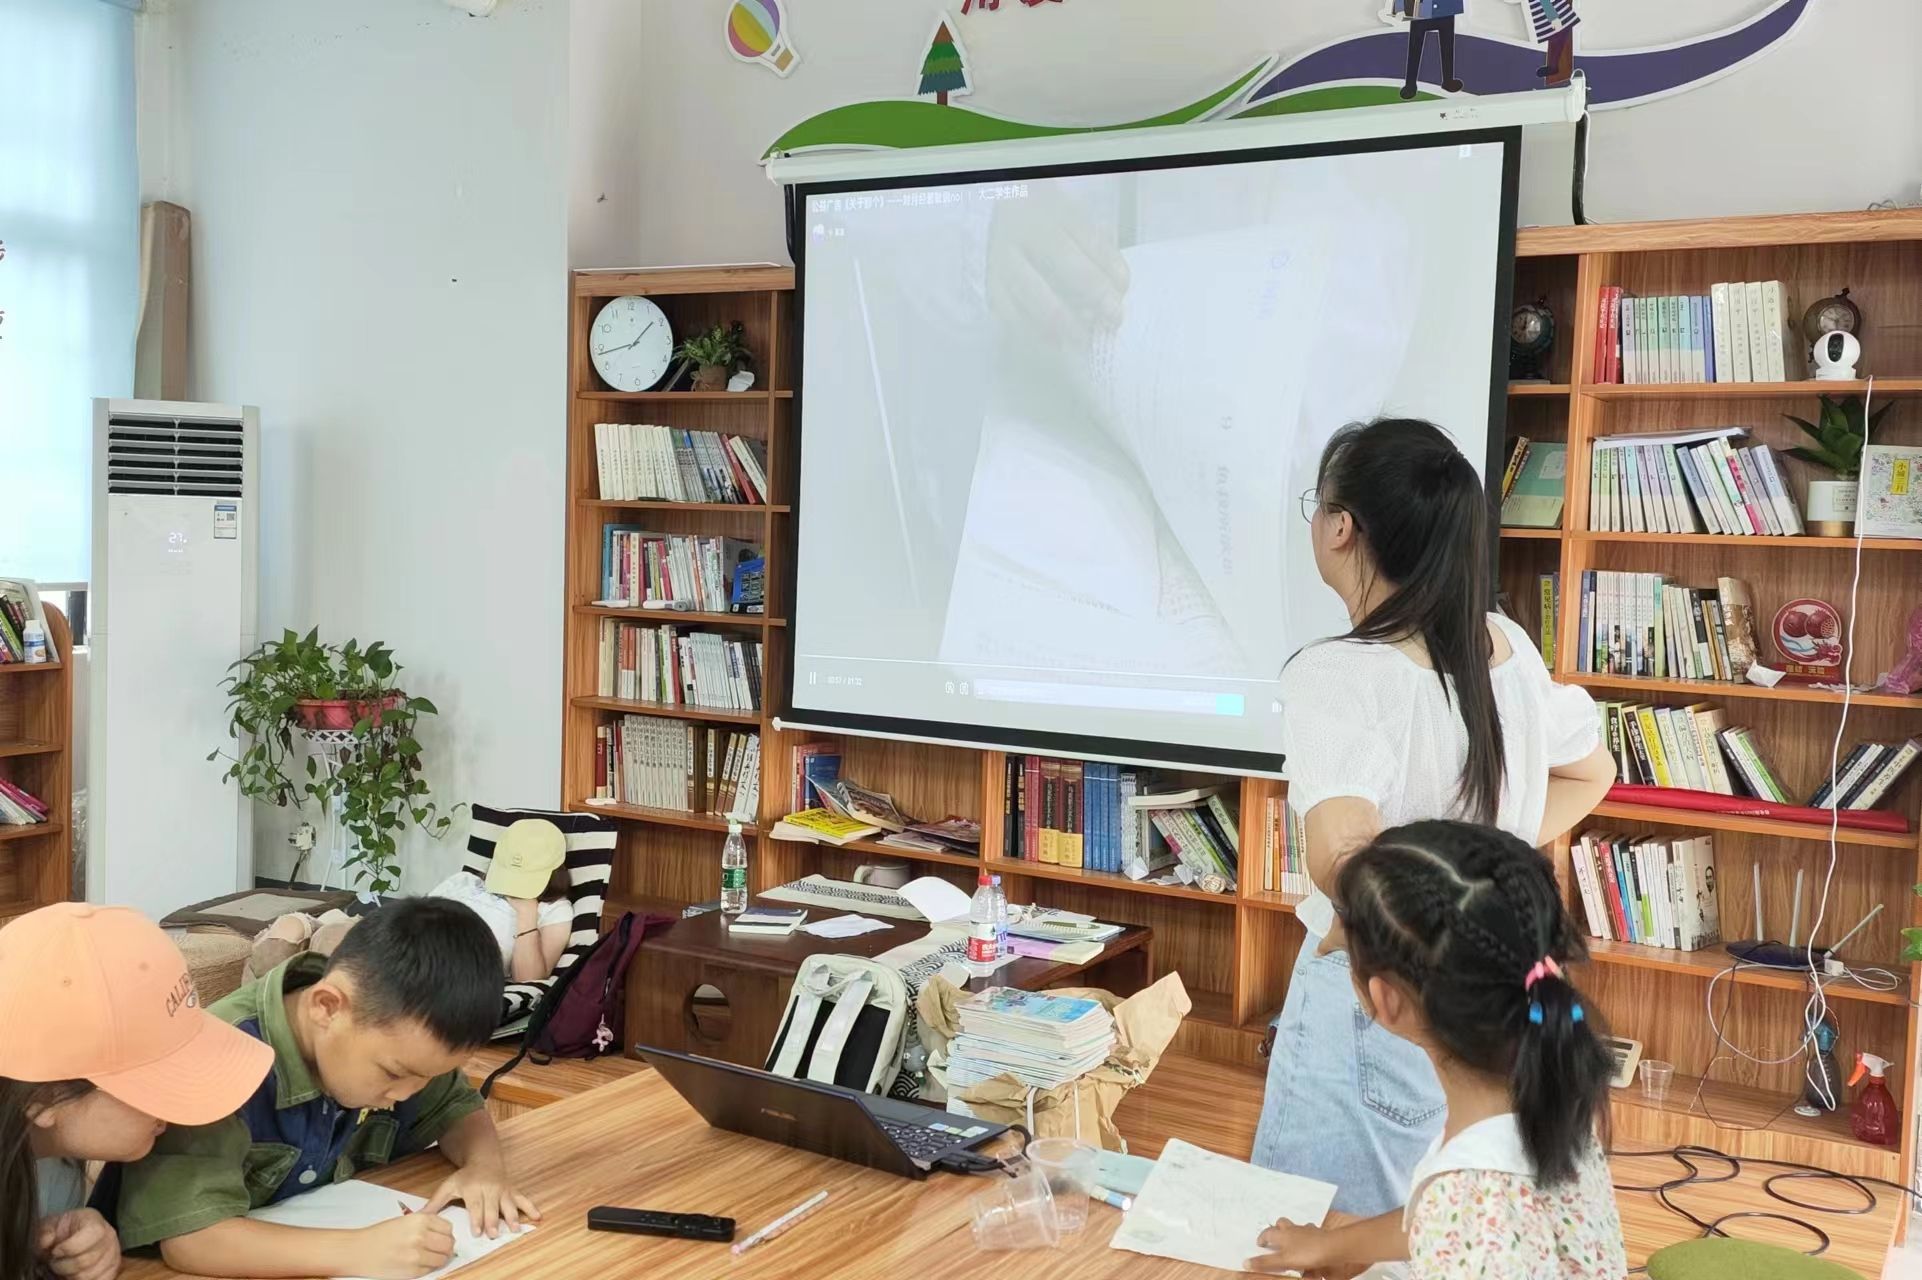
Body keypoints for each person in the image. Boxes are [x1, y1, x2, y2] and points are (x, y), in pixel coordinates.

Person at [1250, 418, 1616, 1230]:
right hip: (1476, 994)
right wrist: (1478, 879)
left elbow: (1343, 857)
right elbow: (1593, 773)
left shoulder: (1340, 674)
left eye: (1319, 504)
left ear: (1341, 527)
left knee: (1312, 1237)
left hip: (1373, 991)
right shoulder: (1506, 647)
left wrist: (1391, 904)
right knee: (1422, 1223)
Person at [1249, 820, 1626, 1278]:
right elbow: (1437, 1222)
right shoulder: (1551, 1109)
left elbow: (1455, 1219)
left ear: (1386, 1000)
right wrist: (1330, 1245)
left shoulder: (1466, 1196)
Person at [107, 897, 539, 1279]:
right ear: (327, 1007)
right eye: (393, 1074)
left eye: (426, 1076)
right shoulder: (217, 1060)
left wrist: (484, 1169)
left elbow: (458, 1109)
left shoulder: (401, 1039)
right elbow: (192, 1239)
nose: (408, 1093)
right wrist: (359, 1251)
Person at [0, 902, 274, 1280]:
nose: (172, 1112)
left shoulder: (52, 1153)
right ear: (43, 1099)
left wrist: (49, 1236)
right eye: (155, 1084)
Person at [428, 818, 575, 981]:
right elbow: (416, 919)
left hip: (447, 972)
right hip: (417, 948)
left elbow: (529, 979)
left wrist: (526, 914)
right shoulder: (464, 880)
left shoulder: (554, 909)